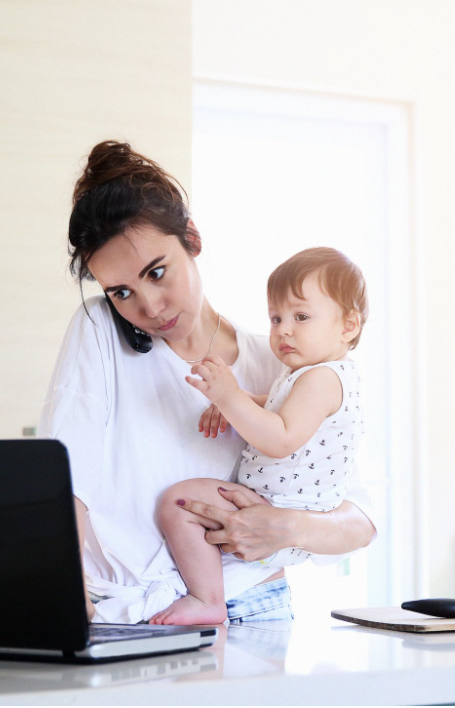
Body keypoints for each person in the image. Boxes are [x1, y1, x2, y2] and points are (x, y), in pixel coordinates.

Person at [38, 141, 377, 625]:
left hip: (257, 605)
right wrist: (68, 596)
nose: (149, 307)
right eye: (121, 292)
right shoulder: (99, 330)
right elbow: (64, 479)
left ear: (192, 240)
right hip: (135, 613)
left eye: (157, 272)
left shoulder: (282, 360)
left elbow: (360, 520)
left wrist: (287, 527)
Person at [149, 247, 369, 625]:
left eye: (301, 317)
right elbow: (279, 406)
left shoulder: (322, 378)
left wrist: (229, 396)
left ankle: (207, 598)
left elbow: (281, 437)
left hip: (280, 511)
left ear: (348, 325)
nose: (284, 329)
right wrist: (243, 402)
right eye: (276, 318)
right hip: (278, 509)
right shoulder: (310, 376)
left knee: (178, 504)